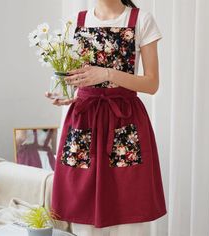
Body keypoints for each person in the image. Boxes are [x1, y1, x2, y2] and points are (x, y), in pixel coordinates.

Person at [45, 0, 167, 235]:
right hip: (84, 121)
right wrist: (66, 95)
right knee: (83, 216)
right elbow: (80, 78)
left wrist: (108, 73)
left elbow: (152, 84)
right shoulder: (76, 21)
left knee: (129, 213)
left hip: (124, 120)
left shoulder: (141, 20)